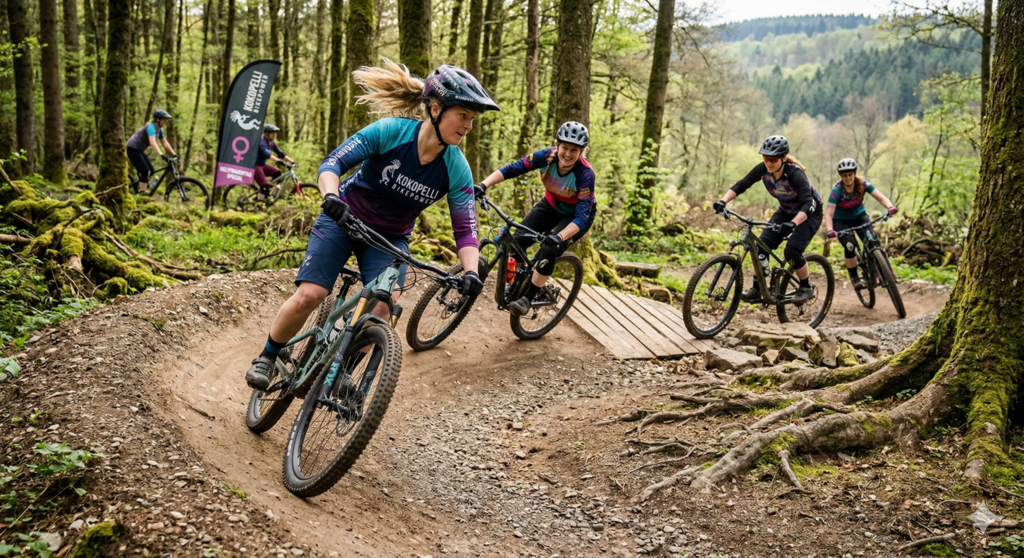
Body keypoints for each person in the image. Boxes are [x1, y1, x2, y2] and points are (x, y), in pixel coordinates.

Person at [245, 60, 498, 390]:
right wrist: (331, 196)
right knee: (311, 294)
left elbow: (465, 229)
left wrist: (471, 272)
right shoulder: (391, 131)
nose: (468, 126)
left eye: (472, 118)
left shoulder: (457, 168)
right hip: (343, 219)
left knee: (384, 305)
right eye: (463, 115)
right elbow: (333, 163)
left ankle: (341, 370)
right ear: (436, 110)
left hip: (389, 240)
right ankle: (268, 355)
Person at [474, 121, 595, 316]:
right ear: (557, 145)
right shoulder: (546, 157)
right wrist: (483, 185)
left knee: (549, 249)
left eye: (574, 150)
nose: (568, 154)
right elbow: (512, 169)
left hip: (575, 217)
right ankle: (519, 283)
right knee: (517, 242)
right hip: (550, 206)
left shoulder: (585, 174)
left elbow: (581, 217)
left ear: (582, 151)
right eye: (564, 147)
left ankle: (527, 298)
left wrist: (558, 237)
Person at [713, 135, 823, 305]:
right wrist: (723, 201)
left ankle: (805, 286)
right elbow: (742, 184)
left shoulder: (794, 174)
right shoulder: (763, 169)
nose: (769, 163)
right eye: (765, 158)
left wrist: (793, 224)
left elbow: (809, 203)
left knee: (792, 250)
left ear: (783, 158)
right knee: (761, 248)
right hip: (786, 211)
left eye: (773, 159)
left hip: (809, 213)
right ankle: (758, 289)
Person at [824, 158, 898, 290]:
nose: (848, 178)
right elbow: (829, 214)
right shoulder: (837, 190)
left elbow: (880, 197)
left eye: (850, 174)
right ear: (841, 176)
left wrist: (890, 207)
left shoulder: (863, 184)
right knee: (850, 245)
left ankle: (882, 270)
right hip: (840, 221)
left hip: (859, 216)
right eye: (845, 175)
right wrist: (830, 229)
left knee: (872, 239)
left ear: (855, 173)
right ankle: (855, 278)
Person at [126, 109, 177, 192]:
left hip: (139, 150)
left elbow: (165, 142)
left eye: (166, 120)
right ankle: (142, 193)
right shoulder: (151, 127)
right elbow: (152, 142)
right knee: (145, 171)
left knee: (151, 171)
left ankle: (142, 185)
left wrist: (175, 154)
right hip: (132, 149)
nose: (166, 121)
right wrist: (162, 155)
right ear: (158, 119)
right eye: (164, 119)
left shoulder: (159, 129)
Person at [254, 124, 296, 201]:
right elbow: (266, 154)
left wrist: (292, 161)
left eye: (275, 133)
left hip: (262, 165)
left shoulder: (272, 143)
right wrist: (279, 161)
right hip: (255, 166)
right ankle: (259, 203)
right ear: (267, 134)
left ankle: (266, 192)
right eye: (272, 133)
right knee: (264, 187)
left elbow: (281, 153)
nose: (274, 135)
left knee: (278, 174)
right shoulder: (262, 142)